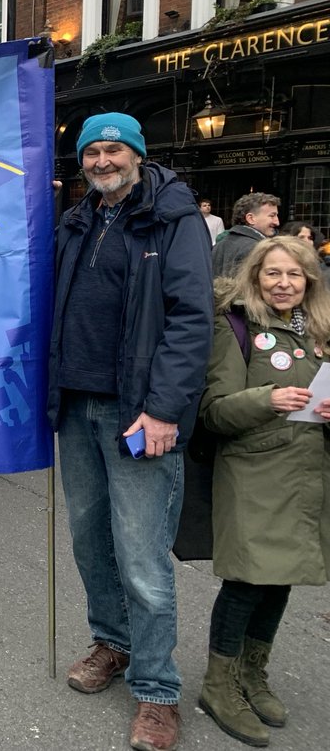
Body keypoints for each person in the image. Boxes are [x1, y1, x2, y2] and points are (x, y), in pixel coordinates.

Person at [47, 113, 212, 751]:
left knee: (142, 560)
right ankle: (112, 643)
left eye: (113, 150)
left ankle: (157, 690)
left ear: (137, 155)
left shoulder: (173, 218)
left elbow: (192, 318)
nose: (101, 161)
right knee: (91, 545)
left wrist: (165, 409)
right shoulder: (77, 219)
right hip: (78, 406)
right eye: (91, 152)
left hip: (138, 413)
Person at [196, 236, 330, 747]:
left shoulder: (321, 329)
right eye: (272, 273)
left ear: (309, 281)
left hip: (309, 472)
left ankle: (253, 673)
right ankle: (219, 684)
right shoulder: (233, 326)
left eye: (294, 275)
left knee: (282, 578)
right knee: (250, 579)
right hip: (255, 470)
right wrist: (267, 398)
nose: (283, 283)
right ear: (256, 277)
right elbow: (215, 411)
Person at [212, 193, 280, 278]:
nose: (277, 222)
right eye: (272, 216)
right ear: (251, 218)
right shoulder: (257, 248)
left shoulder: (220, 245)